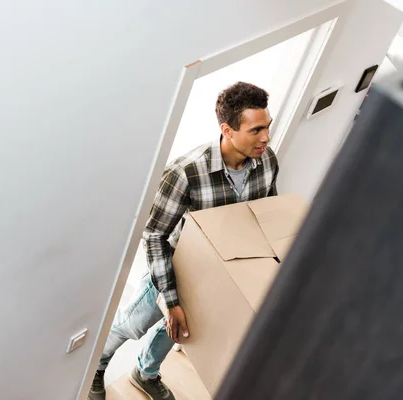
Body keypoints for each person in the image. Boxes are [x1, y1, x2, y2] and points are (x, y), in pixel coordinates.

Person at [88, 82, 279, 400]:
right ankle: (95, 366)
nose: (266, 138)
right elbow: (154, 236)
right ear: (227, 130)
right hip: (175, 267)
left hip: (220, 270)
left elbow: (267, 212)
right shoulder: (186, 173)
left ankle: (145, 373)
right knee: (131, 325)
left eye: (268, 127)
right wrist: (172, 300)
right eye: (256, 130)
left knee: (178, 331)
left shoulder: (267, 161)